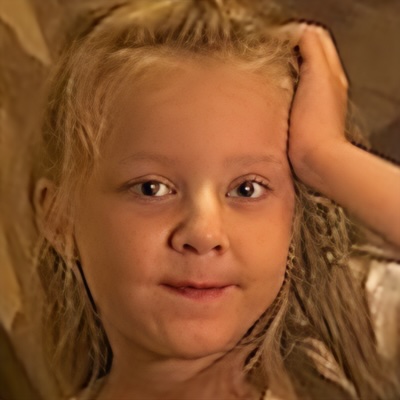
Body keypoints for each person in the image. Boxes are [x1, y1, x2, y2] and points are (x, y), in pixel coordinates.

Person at [32, 0, 400, 399]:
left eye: (247, 189)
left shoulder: (352, 337)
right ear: (60, 218)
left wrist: (325, 155)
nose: (205, 234)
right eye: (151, 188)